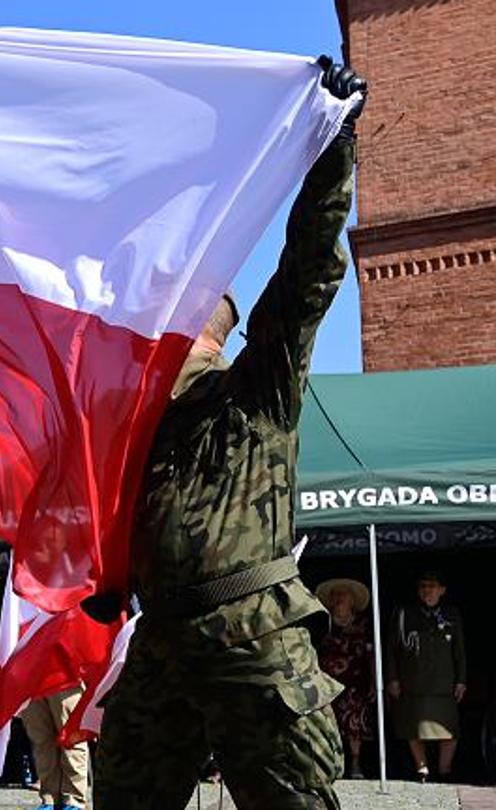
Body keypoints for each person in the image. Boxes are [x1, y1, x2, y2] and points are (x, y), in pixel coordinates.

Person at [92, 62, 366, 810]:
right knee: (123, 797)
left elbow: (307, 277)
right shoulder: (131, 421)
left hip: (253, 637)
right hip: (165, 640)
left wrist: (332, 149)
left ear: (204, 327)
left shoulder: (254, 392)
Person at [387, 572, 467, 782]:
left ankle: (445, 769)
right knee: (414, 727)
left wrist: (462, 680)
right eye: (423, 585)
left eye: (432, 585)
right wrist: (392, 678)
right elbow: (391, 649)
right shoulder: (404, 613)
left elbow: (459, 650)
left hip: (444, 683)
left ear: (442, 590)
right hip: (413, 682)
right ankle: (422, 769)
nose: (427, 590)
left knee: (449, 730)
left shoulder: (452, 614)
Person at [315, 578, 375, 779]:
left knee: (354, 724)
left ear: (352, 600)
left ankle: (356, 763)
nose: (339, 598)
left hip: (355, 683)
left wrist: (375, 682)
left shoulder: (364, 624)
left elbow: (371, 655)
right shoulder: (322, 622)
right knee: (327, 724)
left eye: (344, 594)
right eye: (335, 595)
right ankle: (330, 764)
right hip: (326, 682)